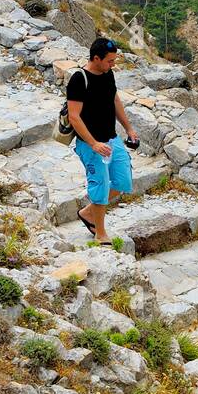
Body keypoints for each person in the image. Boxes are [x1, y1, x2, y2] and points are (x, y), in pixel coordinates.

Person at [67, 37, 139, 244]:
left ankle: (88, 213)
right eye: (109, 61)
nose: (113, 64)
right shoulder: (79, 79)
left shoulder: (108, 75)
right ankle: (100, 233)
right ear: (96, 58)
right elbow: (74, 116)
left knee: (123, 181)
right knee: (99, 186)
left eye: (114, 60)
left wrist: (129, 128)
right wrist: (93, 144)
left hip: (111, 139)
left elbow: (115, 100)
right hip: (91, 144)